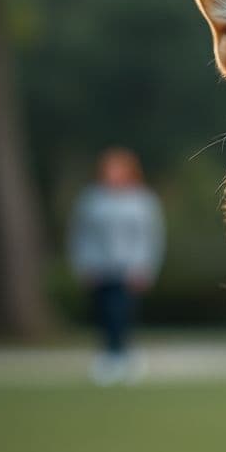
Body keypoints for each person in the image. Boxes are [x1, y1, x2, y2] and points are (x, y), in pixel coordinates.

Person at [68, 149, 165, 384]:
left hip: (130, 267)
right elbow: (82, 234)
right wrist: (84, 263)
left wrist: (144, 266)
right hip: (100, 266)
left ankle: (124, 354)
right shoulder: (92, 200)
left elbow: (149, 236)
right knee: (103, 311)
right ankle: (107, 355)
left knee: (122, 311)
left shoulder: (142, 200)